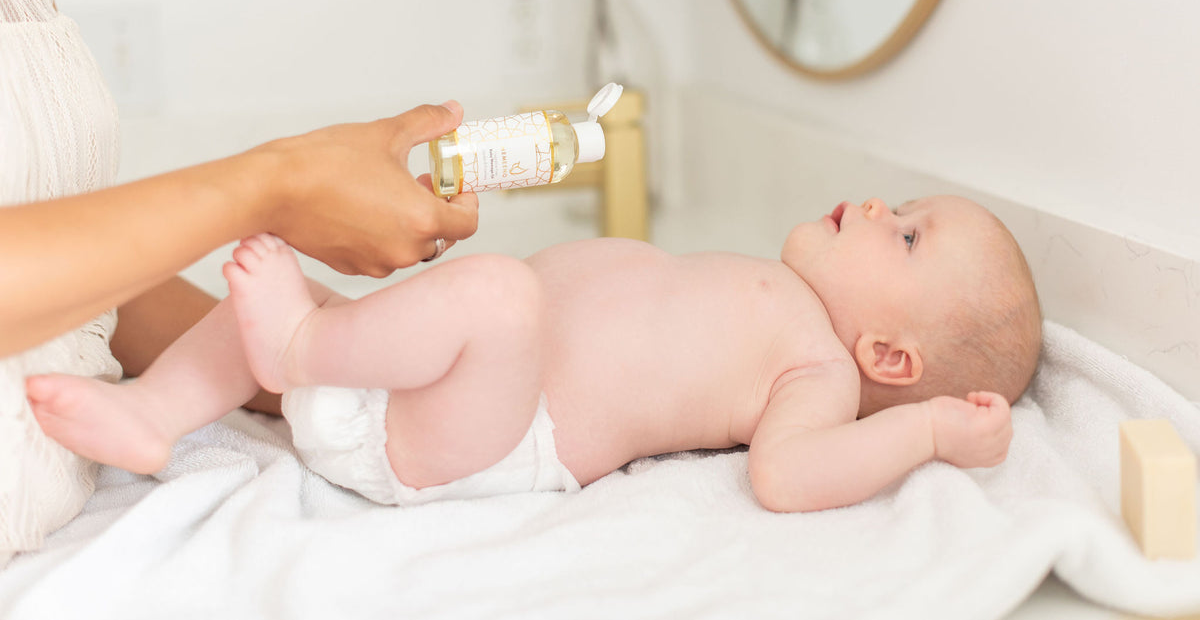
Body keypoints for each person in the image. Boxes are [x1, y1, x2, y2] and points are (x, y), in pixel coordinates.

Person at [0, 0, 477, 560]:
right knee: (493, 294)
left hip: (63, 468)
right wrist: (276, 184)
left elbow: (63, 262)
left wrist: (319, 357)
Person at [27, 195, 1043, 512]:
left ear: (890, 359)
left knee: (504, 296)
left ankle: (301, 345)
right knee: (269, 277)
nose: (874, 208)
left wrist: (935, 433)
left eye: (905, 235)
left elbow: (789, 476)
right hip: (432, 387)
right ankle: (154, 415)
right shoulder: (770, 293)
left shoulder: (816, 369)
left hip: (480, 440)